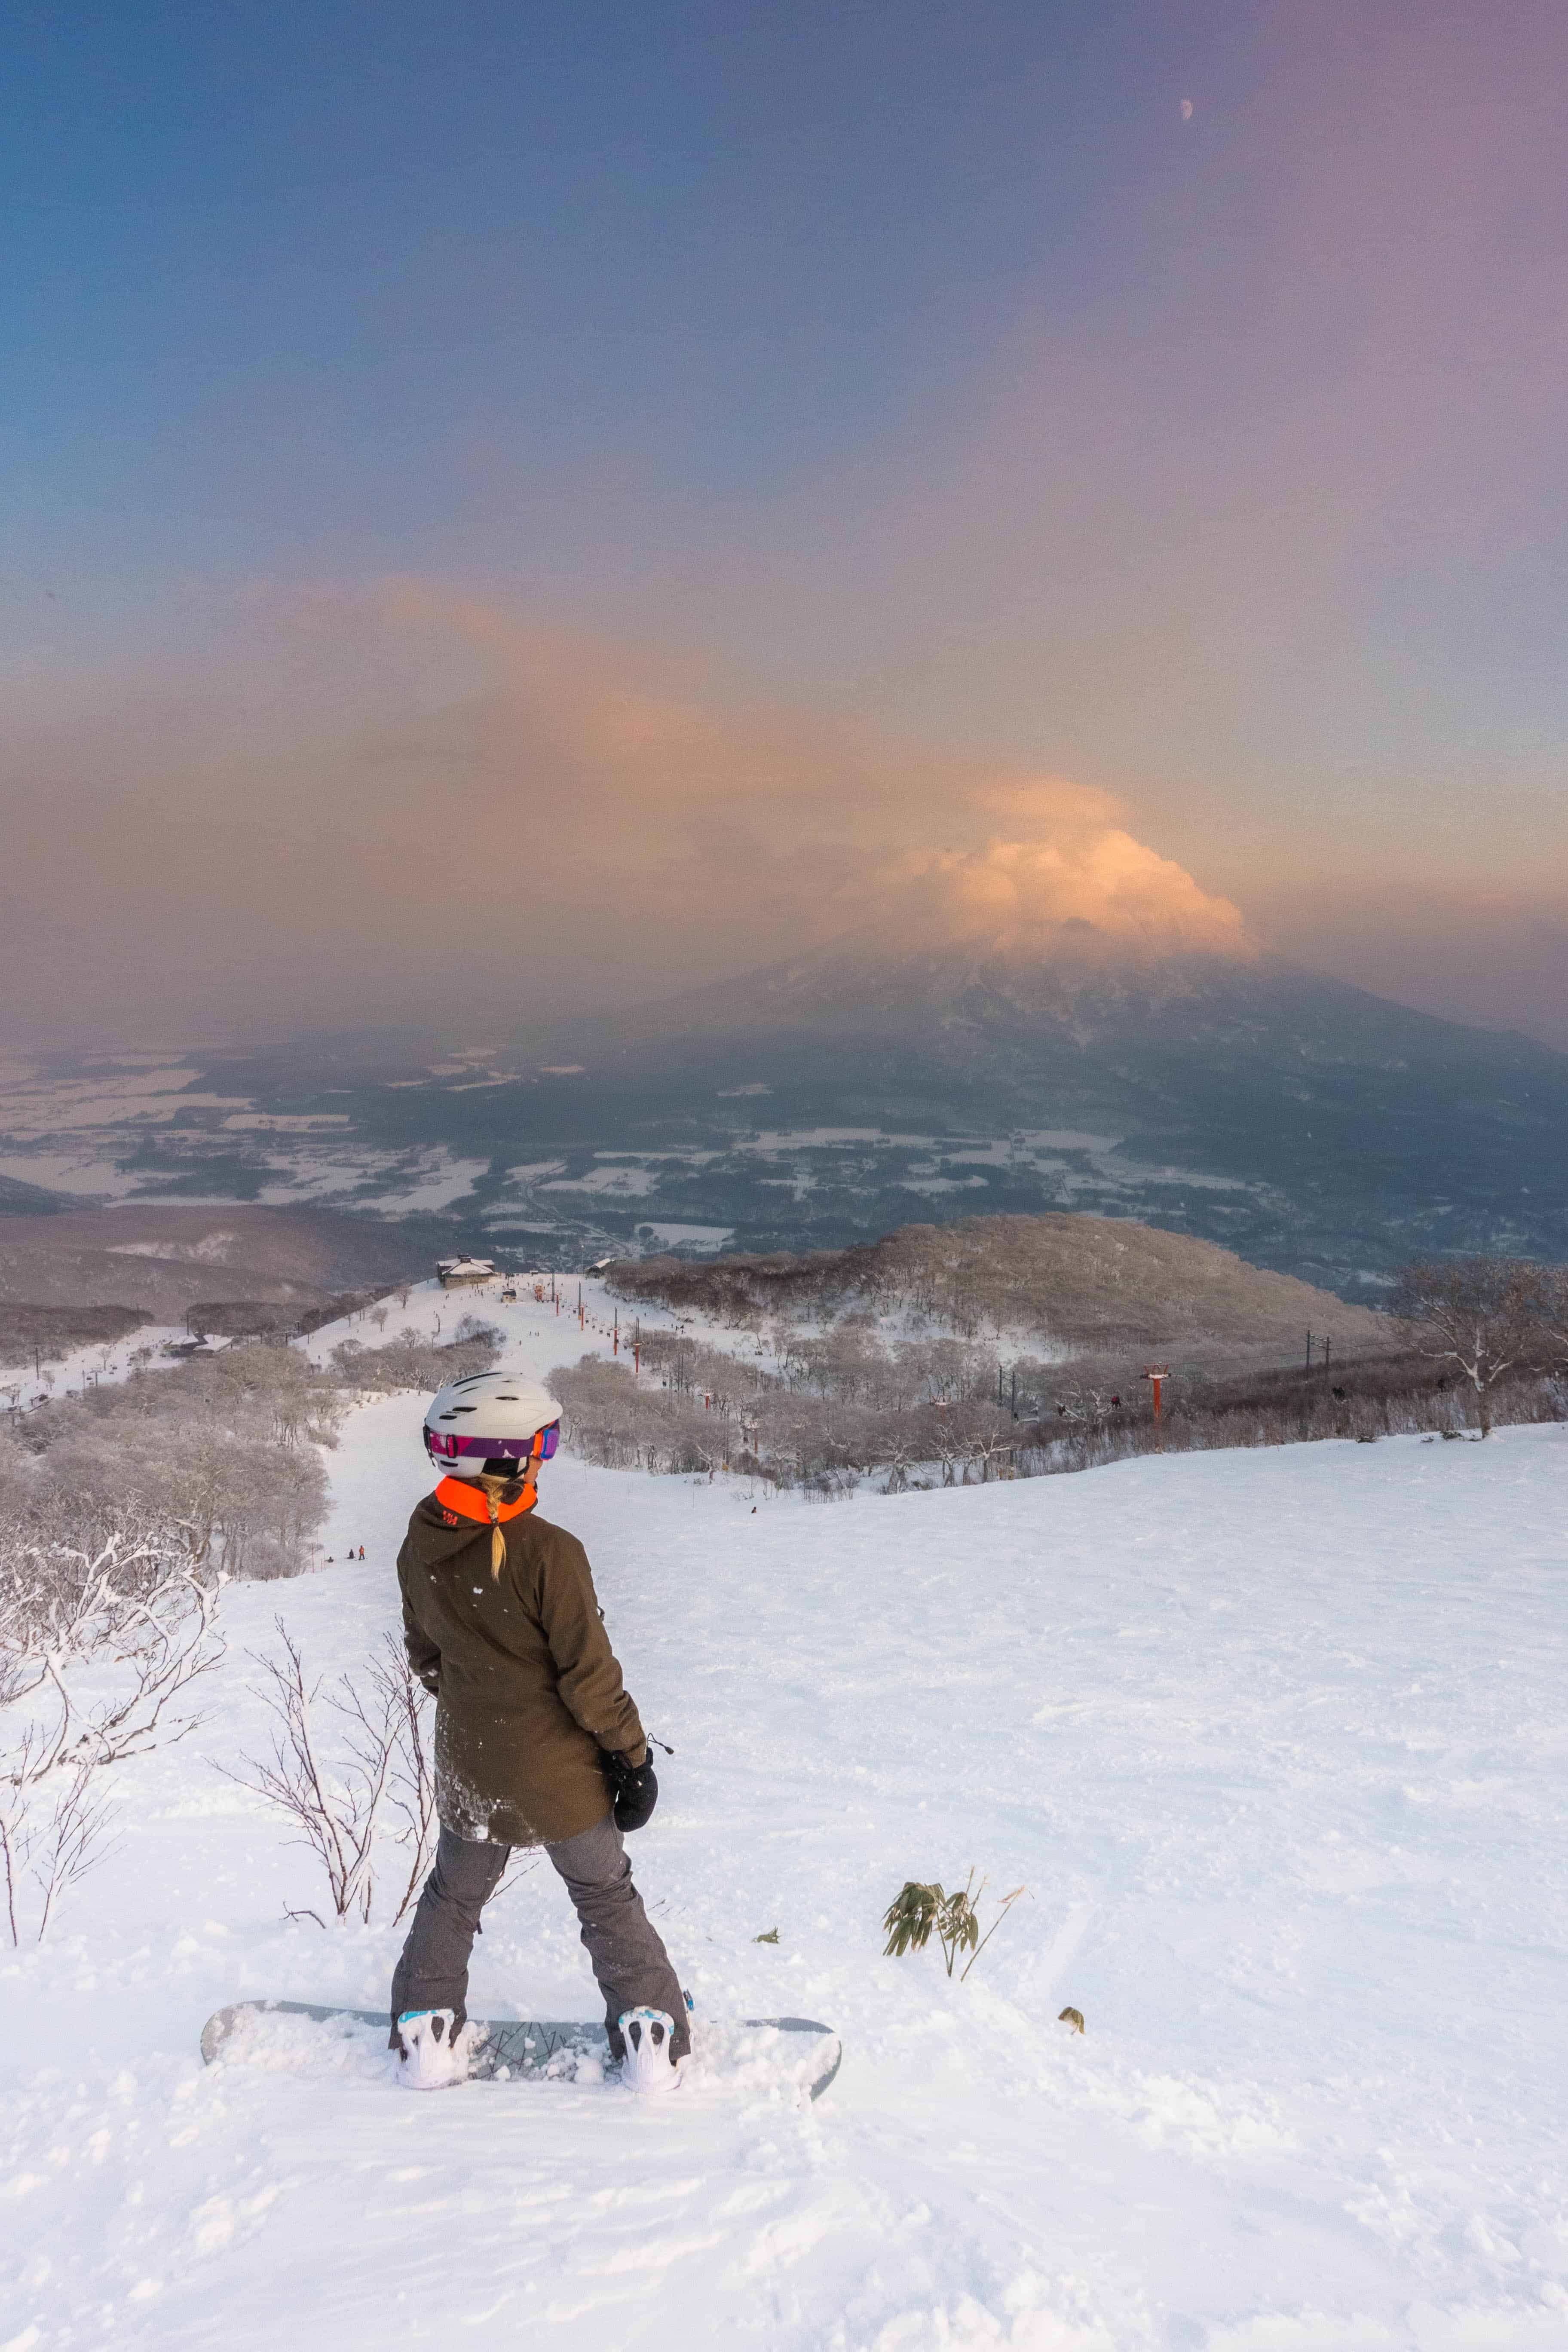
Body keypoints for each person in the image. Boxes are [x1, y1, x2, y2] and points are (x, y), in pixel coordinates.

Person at [389, 1370, 686, 2093]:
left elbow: (427, 1656)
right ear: (503, 1457)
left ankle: (426, 2029)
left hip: (470, 1768)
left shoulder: (420, 1540)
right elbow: (589, 1676)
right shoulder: (550, 1550)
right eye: (541, 1443)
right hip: (558, 1775)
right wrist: (632, 1757)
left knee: (453, 1899)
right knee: (605, 1896)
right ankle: (649, 2035)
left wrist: (477, 1703)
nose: (547, 1457)